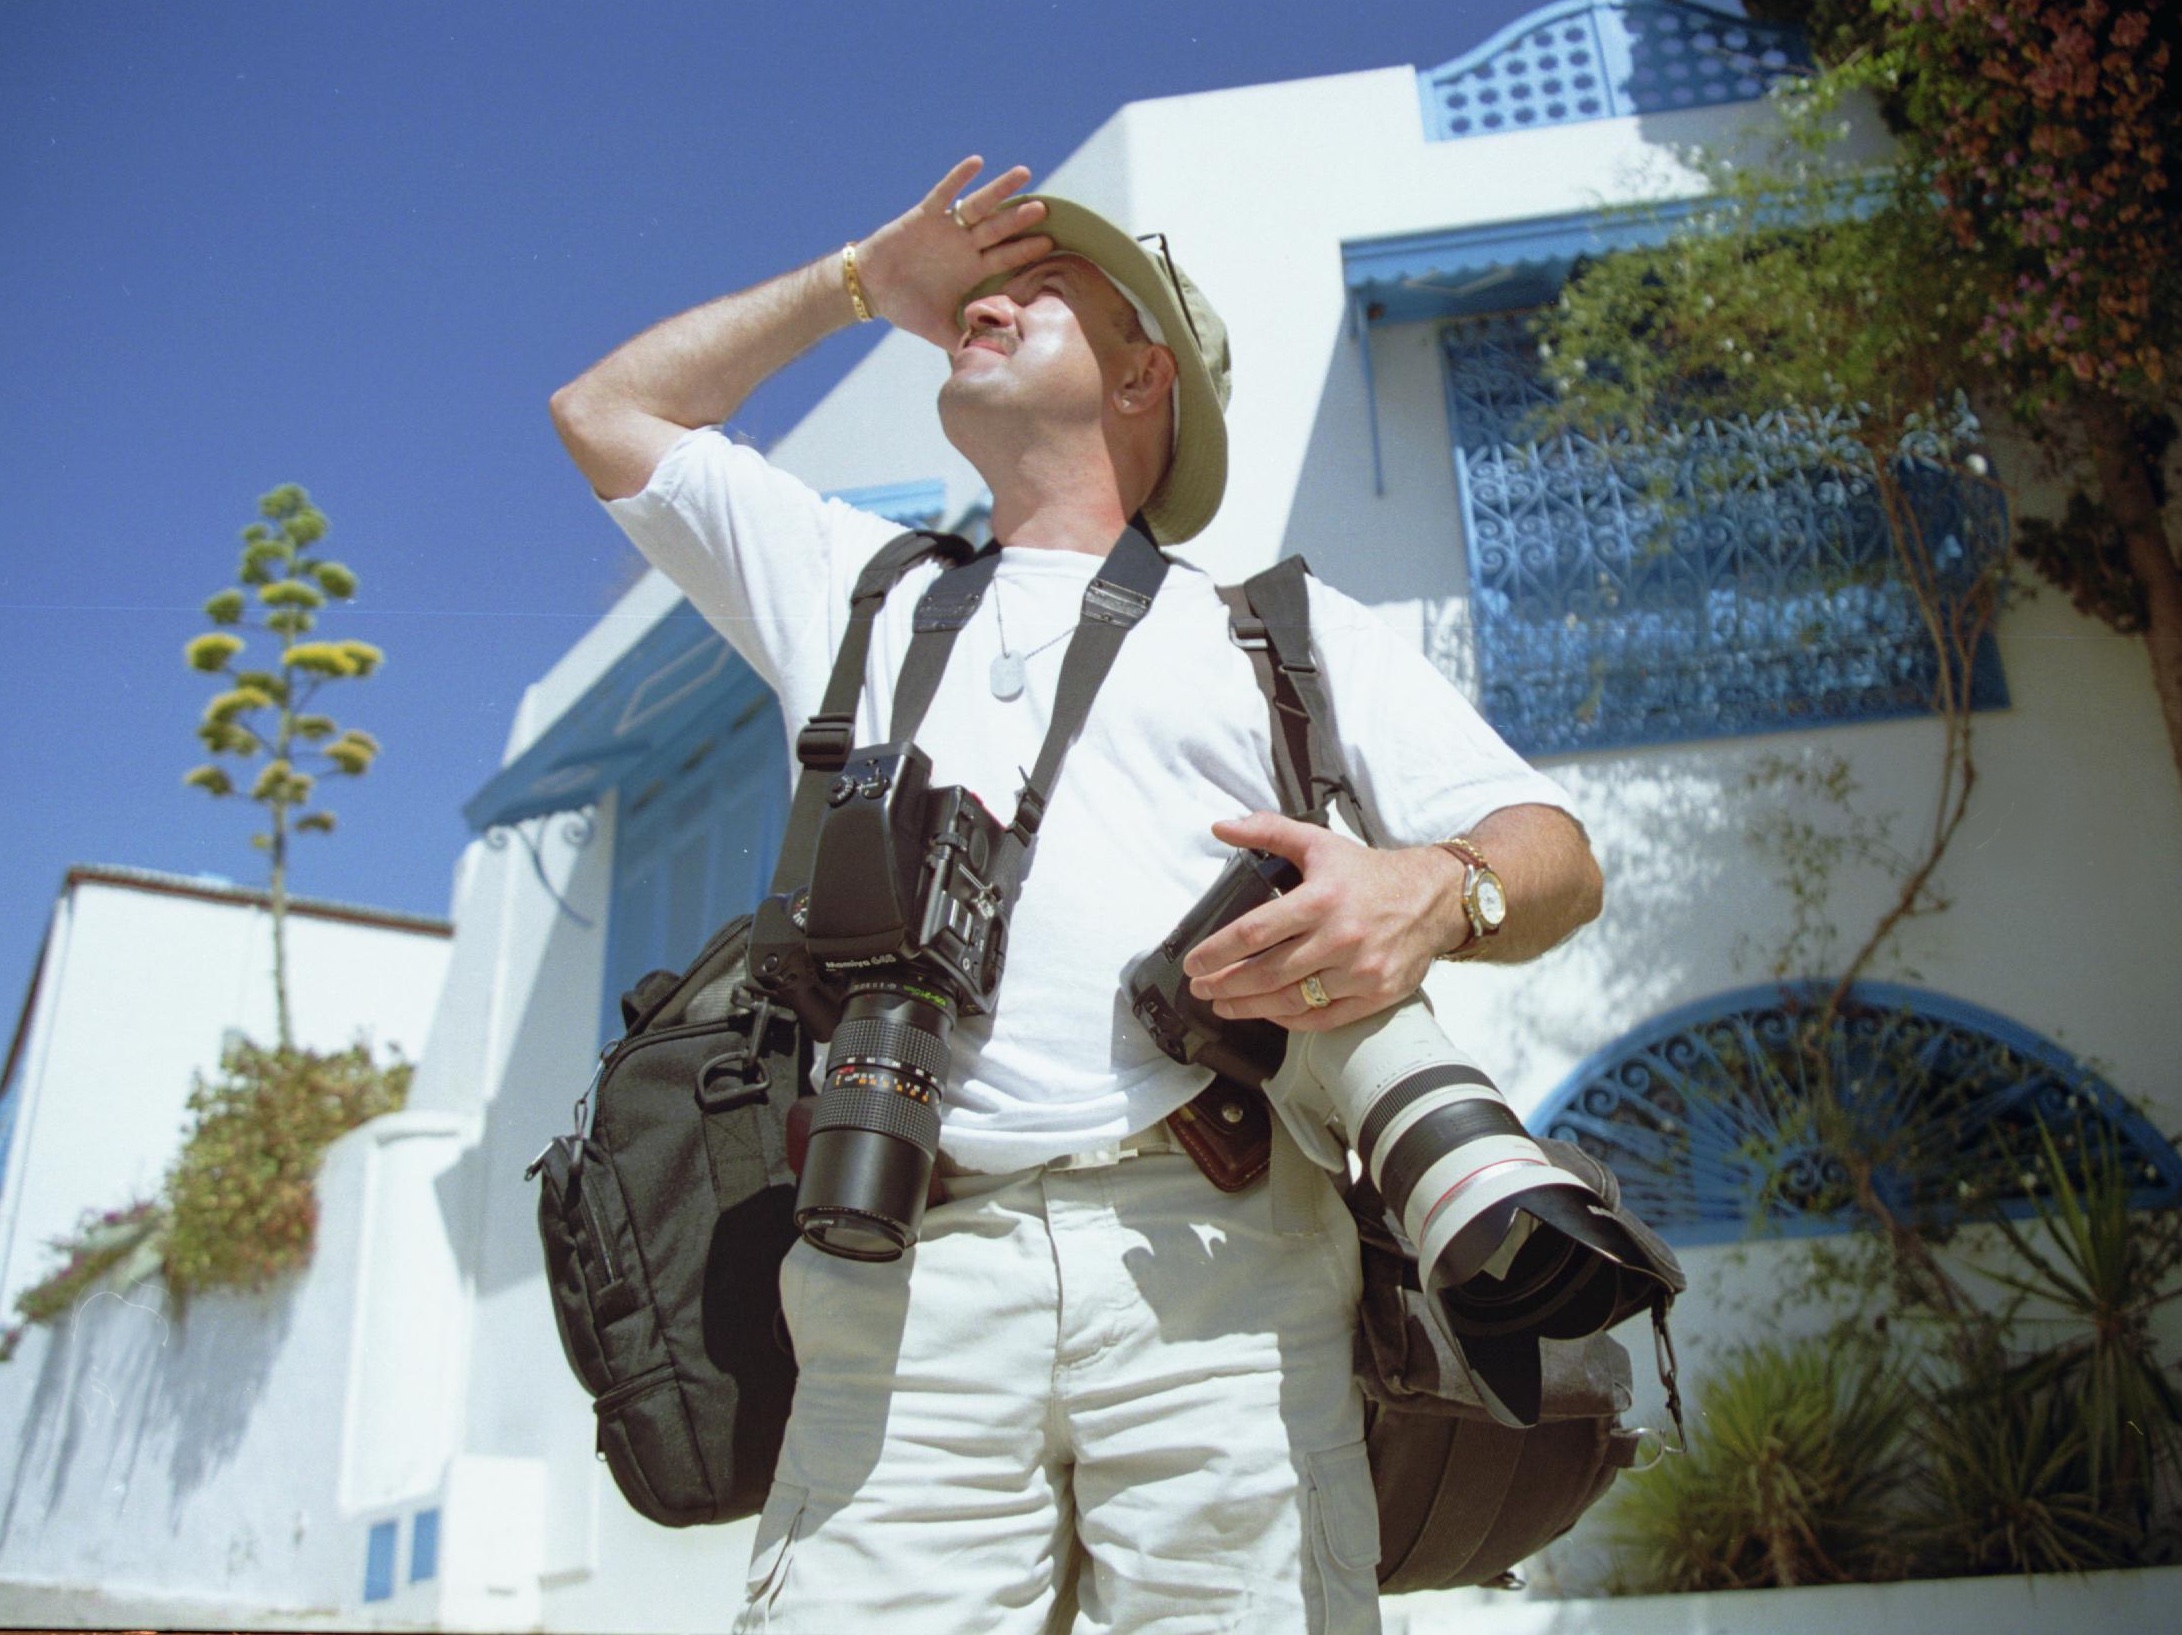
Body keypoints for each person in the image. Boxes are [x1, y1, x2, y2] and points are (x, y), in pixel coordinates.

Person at [551, 157, 1603, 1635]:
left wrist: (1439, 888)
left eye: (1040, 294)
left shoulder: (1278, 633)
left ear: (1140, 377)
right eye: (978, 296)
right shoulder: (857, 588)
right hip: (898, 1270)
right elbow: (607, 414)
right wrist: (859, 284)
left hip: (1223, 1267)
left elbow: (1555, 853)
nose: (983, 304)